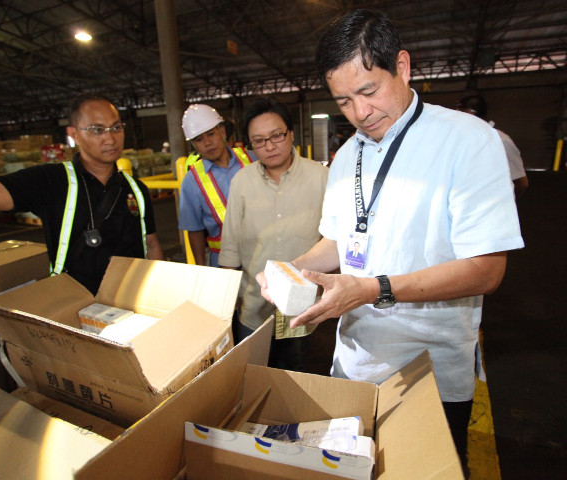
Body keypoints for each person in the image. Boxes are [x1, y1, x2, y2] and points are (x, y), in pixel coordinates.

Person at [256, 9, 523, 474]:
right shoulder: (345, 159)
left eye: (368, 91)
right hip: (354, 366)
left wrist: (371, 289)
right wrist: (294, 267)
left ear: (402, 66)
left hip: (430, 372)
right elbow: (338, 240)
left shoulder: (468, 141)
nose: (360, 113)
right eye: (343, 101)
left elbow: (487, 269)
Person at [0, 92, 163, 294]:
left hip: (133, 299)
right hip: (76, 304)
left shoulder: (136, 189)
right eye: (97, 130)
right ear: (74, 134)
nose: (110, 138)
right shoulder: (52, 180)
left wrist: (160, 289)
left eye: (116, 127)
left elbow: (150, 244)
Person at [219, 97, 328, 370]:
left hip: (301, 305)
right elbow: (230, 244)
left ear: (291, 134)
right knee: (251, 373)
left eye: (276, 136)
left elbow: (332, 239)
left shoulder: (321, 178)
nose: (269, 146)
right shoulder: (242, 182)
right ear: (250, 145)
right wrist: (227, 302)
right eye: (259, 141)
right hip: (253, 302)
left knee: (296, 373)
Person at [179, 104, 255, 267]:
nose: (207, 143)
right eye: (199, 139)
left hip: (263, 255)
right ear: (193, 144)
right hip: (224, 265)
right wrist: (201, 270)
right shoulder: (191, 181)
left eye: (211, 134)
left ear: (223, 131)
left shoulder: (253, 159)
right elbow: (194, 231)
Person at [456, 94, 529, 197]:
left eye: (459, 113)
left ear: (470, 113)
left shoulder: (501, 140)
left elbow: (520, 182)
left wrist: (503, 202)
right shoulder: (462, 140)